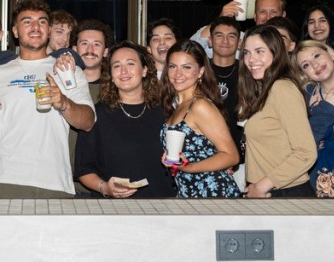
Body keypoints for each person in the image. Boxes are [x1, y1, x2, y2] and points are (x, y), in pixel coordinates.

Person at [0, 0, 96, 198]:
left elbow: (88, 122)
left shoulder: (68, 69)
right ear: (15, 31)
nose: (35, 27)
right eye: (27, 21)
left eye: (42, 21)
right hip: (8, 180)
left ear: (48, 30)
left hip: (56, 182)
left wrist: (63, 103)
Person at [74, 41, 175, 198]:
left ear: (144, 70)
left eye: (130, 64)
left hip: (162, 207)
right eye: (116, 66)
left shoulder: (165, 112)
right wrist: (105, 188)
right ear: (111, 76)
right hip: (114, 212)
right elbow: (84, 169)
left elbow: (179, 160)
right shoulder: (96, 114)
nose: (123, 71)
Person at [238, 25, 317, 198]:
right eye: (246, 53)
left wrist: (262, 186)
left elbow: (306, 152)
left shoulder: (282, 88)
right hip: (268, 190)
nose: (251, 59)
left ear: (276, 52)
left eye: (259, 51)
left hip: (286, 193)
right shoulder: (262, 90)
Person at [160, 40, 241, 198]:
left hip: (213, 192)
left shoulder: (200, 106)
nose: (178, 74)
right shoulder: (177, 106)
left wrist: (190, 167)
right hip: (188, 192)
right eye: (172, 66)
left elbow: (232, 156)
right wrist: (173, 163)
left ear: (201, 71)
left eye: (187, 67)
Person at [295, 40, 334, 198]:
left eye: (317, 55)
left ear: (331, 54)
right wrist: (327, 107)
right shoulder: (305, 96)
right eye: (306, 65)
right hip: (317, 180)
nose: (315, 64)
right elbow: (304, 142)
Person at [208, 16, 244, 157]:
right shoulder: (199, 72)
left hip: (243, 157)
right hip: (207, 156)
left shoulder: (249, 72)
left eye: (231, 36)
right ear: (210, 41)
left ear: (239, 42)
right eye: (219, 36)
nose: (225, 41)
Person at [72, 19, 113, 99]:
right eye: (84, 43)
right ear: (75, 49)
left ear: (105, 52)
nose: (90, 50)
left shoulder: (114, 89)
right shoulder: (63, 85)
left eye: (96, 44)